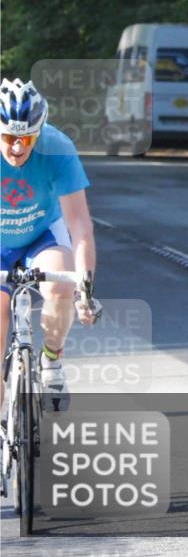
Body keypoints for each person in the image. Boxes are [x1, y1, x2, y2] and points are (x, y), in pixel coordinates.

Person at [1, 77, 101, 412]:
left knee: (61, 287)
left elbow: (80, 225)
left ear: (39, 132)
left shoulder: (57, 148)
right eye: (9, 137)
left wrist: (84, 288)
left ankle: (52, 359)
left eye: (26, 138)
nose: (17, 147)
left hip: (41, 234)